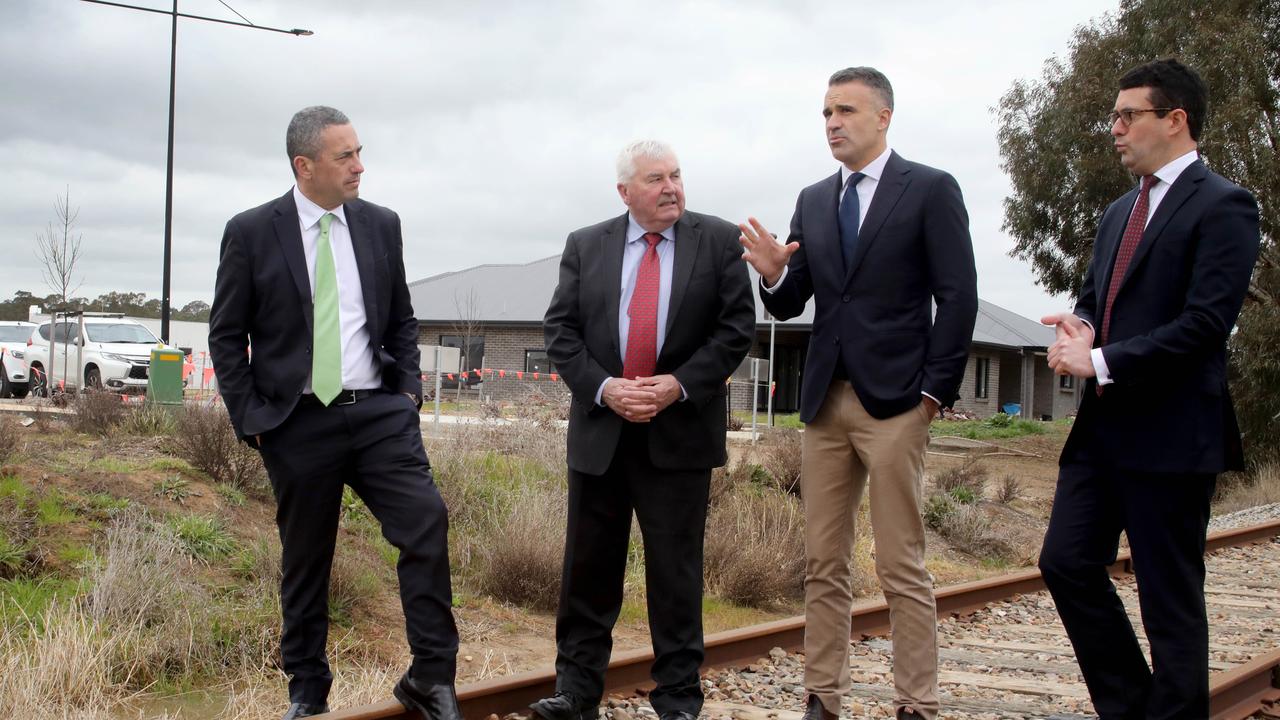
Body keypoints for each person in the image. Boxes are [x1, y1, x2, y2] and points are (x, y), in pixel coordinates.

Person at [739, 67, 977, 720]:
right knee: (823, 563)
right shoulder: (815, 199)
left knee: (902, 566)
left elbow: (957, 297)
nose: (833, 122)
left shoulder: (929, 190)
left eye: (845, 109)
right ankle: (823, 699)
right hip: (824, 405)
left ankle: (915, 705)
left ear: (883, 117)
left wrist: (934, 394)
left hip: (897, 404)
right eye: (825, 112)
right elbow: (795, 301)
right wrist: (771, 276)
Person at [208, 106, 461, 720]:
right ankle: (307, 691)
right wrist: (255, 422)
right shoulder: (250, 231)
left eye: (358, 152)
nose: (359, 166)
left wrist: (406, 396)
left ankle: (431, 677)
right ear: (305, 165)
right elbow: (225, 337)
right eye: (345, 156)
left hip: (378, 413)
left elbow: (401, 316)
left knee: (425, 524)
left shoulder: (380, 224)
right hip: (296, 422)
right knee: (306, 558)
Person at [1038, 58, 1261, 719]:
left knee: (1169, 602)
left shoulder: (1225, 205)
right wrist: (1075, 330)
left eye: (1126, 116)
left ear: (1174, 120)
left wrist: (1101, 360)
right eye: (1112, 116)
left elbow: (1204, 325)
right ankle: (1134, 709)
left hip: (1172, 433)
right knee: (1066, 562)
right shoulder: (1115, 214)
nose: (1115, 129)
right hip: (1102, 431)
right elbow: (1095, 301)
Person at [534, 140, 755, 720]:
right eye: (655, 178)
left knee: (676, 574)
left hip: (678, 433)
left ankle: (678, 697)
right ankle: (576, 692)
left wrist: (676, 384)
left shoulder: (718, 241)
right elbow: (561, 331)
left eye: (677, 175)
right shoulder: (587, 244)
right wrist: (606, 388)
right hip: (601, 434)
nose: (671, 188)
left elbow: (735, 330)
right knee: (588, 569)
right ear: (625, 191)